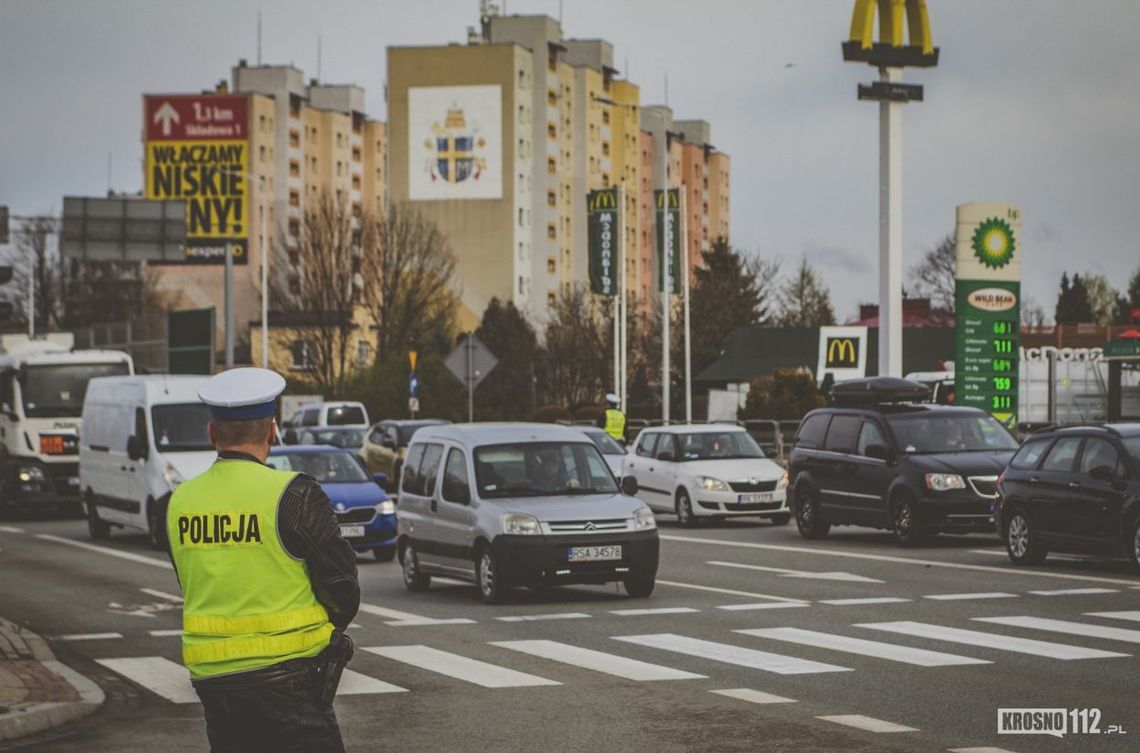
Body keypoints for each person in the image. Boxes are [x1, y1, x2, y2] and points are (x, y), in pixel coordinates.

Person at [166, 368, 360, 753]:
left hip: (213, 680)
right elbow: (342, 586)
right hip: (288, 679)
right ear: (273, 432)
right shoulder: (293, 494)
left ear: (211, 434)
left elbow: (190, 579)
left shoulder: (180, 501)